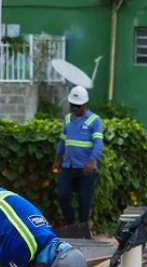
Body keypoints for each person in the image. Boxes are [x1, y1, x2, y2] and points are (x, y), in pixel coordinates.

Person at [52, 85, 104, 237]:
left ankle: (83, 231)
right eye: (73, 105)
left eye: (78, 106)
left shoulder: (95, 120)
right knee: (62, 194)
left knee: (84, 201)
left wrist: (91, 161)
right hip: (68, 166)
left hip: (85, 168)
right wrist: (57, 159)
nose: (75, 108)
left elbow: (98, 143)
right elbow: (62, 141)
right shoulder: (68, 119)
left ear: (85, 105)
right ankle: (71, 225)